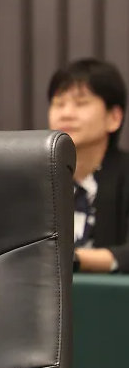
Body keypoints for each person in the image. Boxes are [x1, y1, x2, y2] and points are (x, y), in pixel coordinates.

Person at [48, 58, 129, 273]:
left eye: (81, 103)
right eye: (59, 103)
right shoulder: (38, 179)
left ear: (114, 118)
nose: (66, 113)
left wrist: (74, 259)